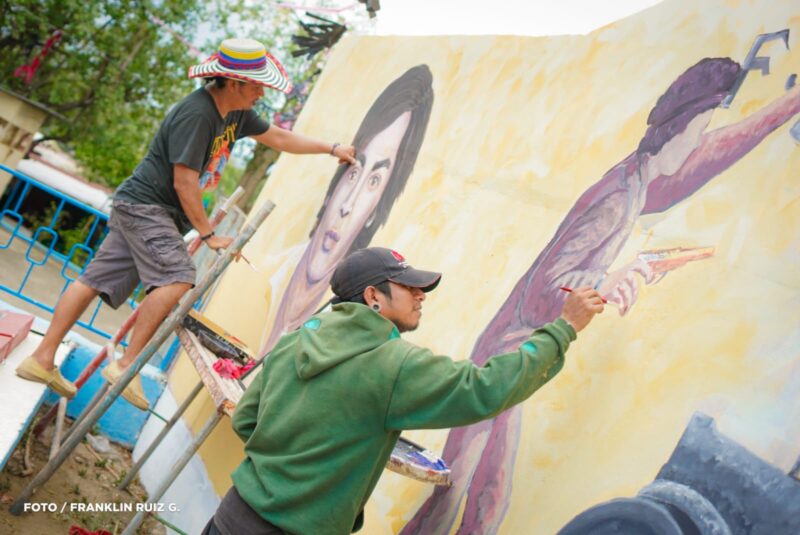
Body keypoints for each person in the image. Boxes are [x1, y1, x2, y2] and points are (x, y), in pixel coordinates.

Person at [402, 56, 800, 534]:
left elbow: (720, 150)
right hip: (507, 352)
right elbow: (543, 289)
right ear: (676, 127)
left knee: (486, 497)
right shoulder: (617, 197)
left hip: (519, 353)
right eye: (699, 129)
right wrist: (603, 281)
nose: (701, 142)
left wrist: (787, 104)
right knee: (462, 494)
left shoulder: (636, 183)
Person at [14, 38, 356, 410]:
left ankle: (41, 359)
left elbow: (277, 136)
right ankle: (126, 364)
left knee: (93, 280)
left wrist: (331, 148)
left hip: (143, 207)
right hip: (147, 207)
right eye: (257, 85)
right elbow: (184, 182)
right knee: (178, 276)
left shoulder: (236, 113)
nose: (261, 93)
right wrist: (209, 235)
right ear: (234, 82)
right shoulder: (198, 114)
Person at [201, 246, 605, 535]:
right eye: (408, 287)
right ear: (373, 296)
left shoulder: (296, 340)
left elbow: (247, 419)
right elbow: (485, 388)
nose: (420, 295)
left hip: (230, 517)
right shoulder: (393, 364)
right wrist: (563, 329)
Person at [258, 65, 433, 356]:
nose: (347, 206)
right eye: (354, 172)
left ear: (376, 211)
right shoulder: (264, 274)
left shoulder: (345, 333)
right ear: (335, 186)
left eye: (374, 181)